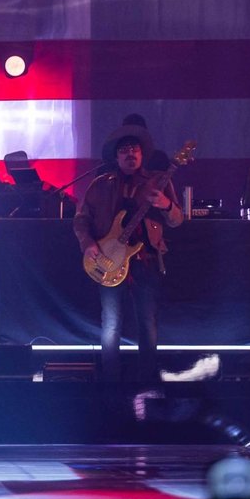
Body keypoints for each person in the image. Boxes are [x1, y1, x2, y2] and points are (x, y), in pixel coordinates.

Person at [74, 121, 183, 382]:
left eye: (135, 149)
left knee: (147, 323)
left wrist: (166, 204)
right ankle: (111, 380)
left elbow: (177, 219)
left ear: (142, 154)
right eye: (124, 150)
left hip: (145, 262)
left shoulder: (158, 181)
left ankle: (147, 380)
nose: (130, 154)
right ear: (116, 156)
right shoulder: (100, 184)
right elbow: (81, 219)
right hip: (108, 259)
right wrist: (88, 242)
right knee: (111, 324)